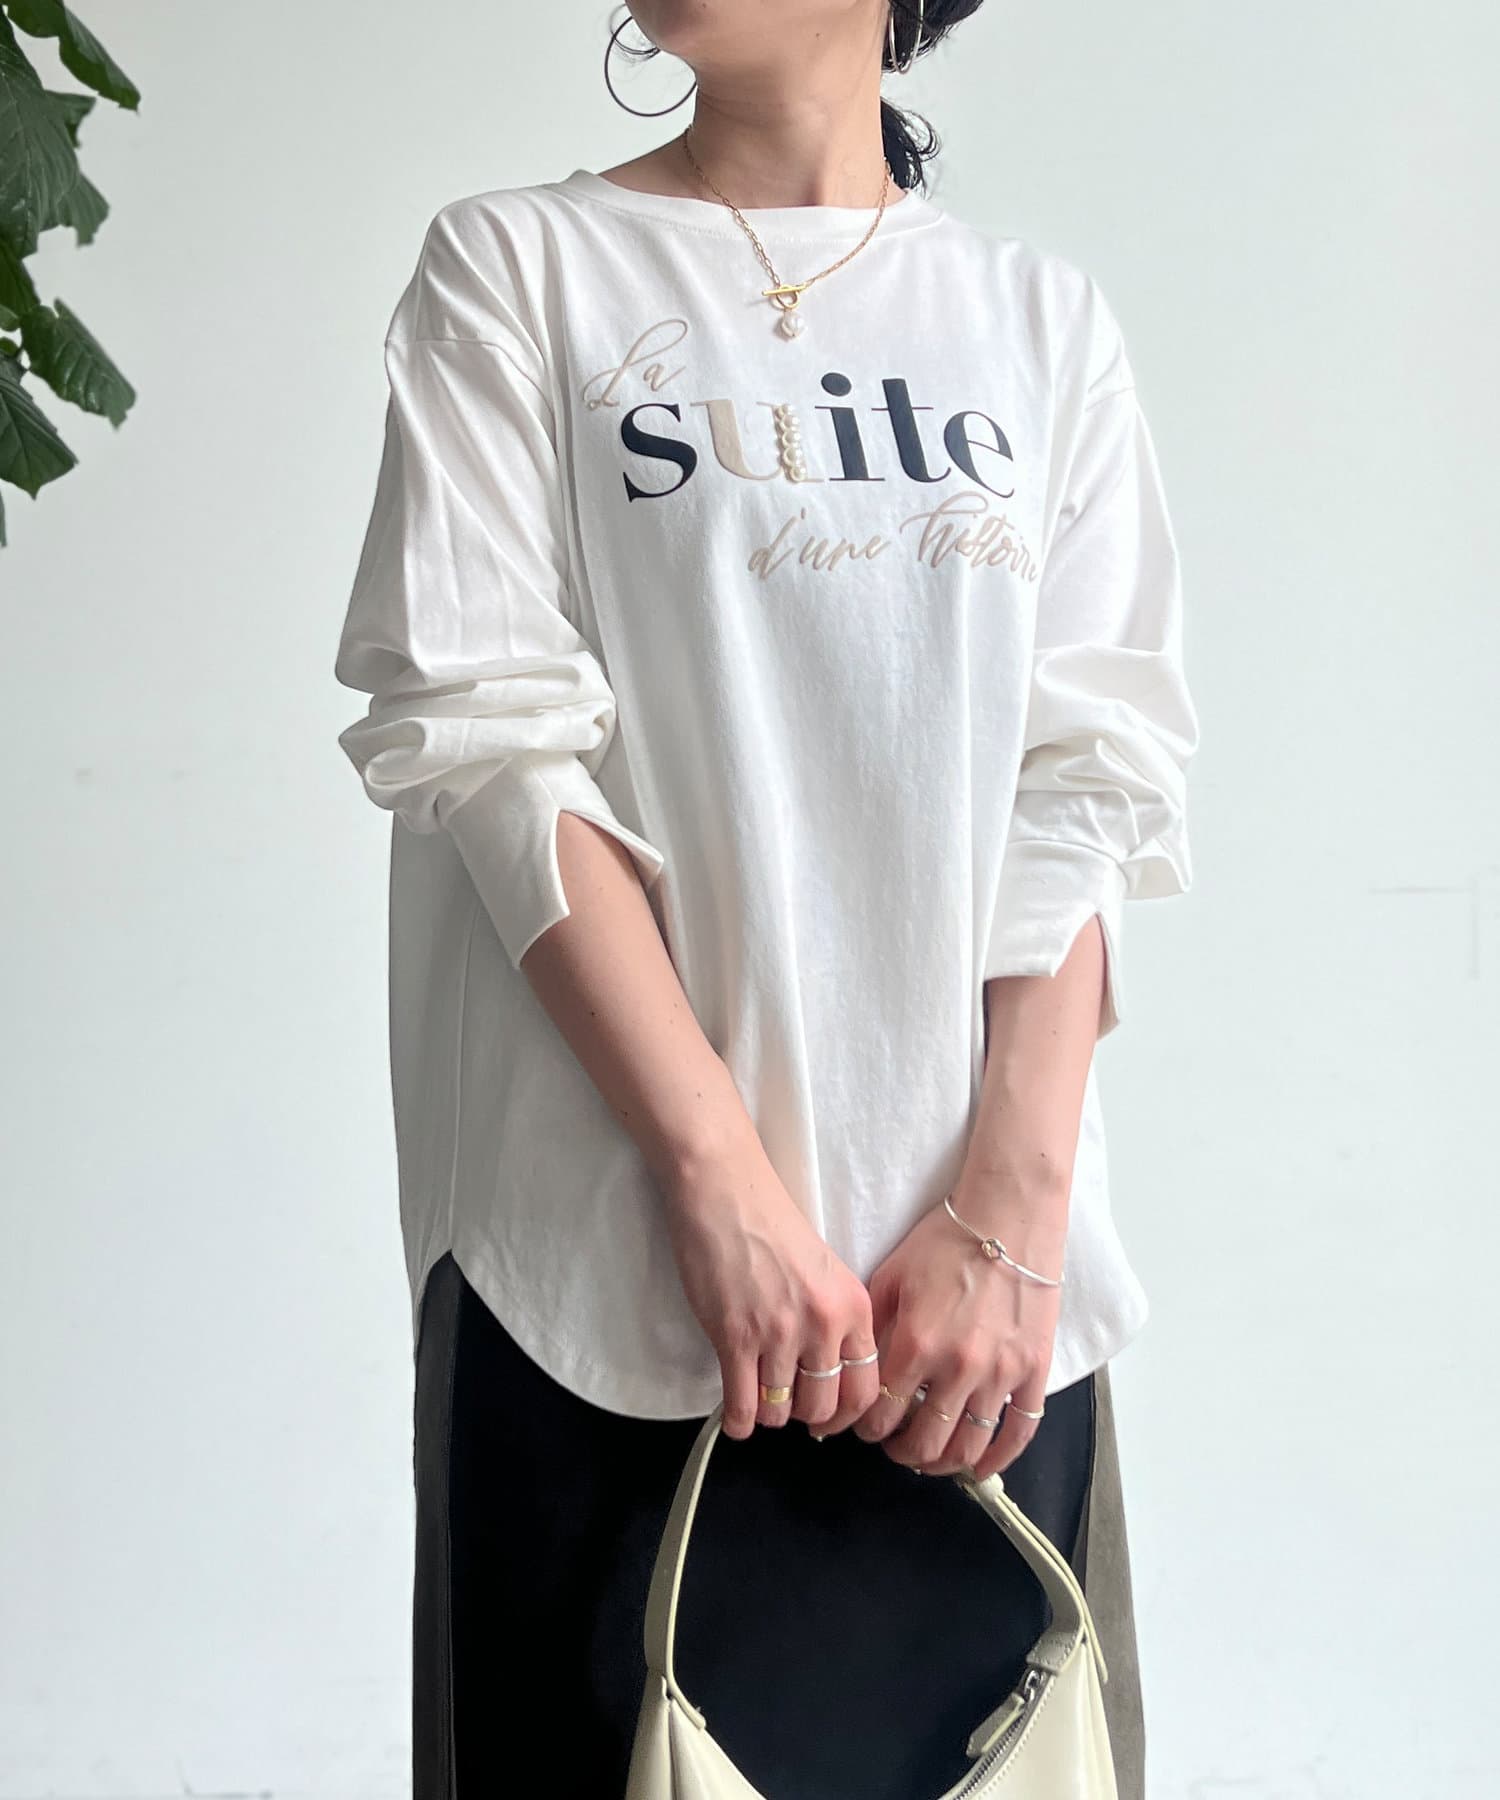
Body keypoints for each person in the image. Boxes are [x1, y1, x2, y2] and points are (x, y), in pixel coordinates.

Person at [332, 3, 1198, 1796]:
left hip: (976, 1337)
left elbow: (1091, 780)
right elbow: (489, 743)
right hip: (613, 1288)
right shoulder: (519, 272)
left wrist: (1009, 1217)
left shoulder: (1038, 322)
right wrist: (717, 1184)